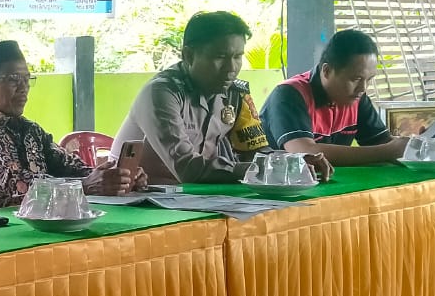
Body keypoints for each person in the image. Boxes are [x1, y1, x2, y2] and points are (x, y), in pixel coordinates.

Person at [112, 11, 332, 184]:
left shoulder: (236, 93)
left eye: (238, 57)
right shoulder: (162, 93)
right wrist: (274, 168)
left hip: (195, 197)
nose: (231, 68)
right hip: (137, 196)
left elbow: (254, 153)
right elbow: (187, 168)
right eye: (220, 57)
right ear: (189, 55)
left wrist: (294, 161)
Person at [0, 40, 145, 210]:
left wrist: (116, 177)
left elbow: (71, 167)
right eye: (14, 79)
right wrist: (85, 187)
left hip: (45, 223)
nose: (24, 88)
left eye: (27, 79)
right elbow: (19, 185)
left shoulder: (30, 129)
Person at [261, 29, 407, 164]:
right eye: (355, 79)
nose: (363, 88)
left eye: (368, 79)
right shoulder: (289, 94)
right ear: (327, 71)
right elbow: (304, 151)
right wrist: (389, 151)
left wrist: (412, 145)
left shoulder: (356, 98)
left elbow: (382, 143)